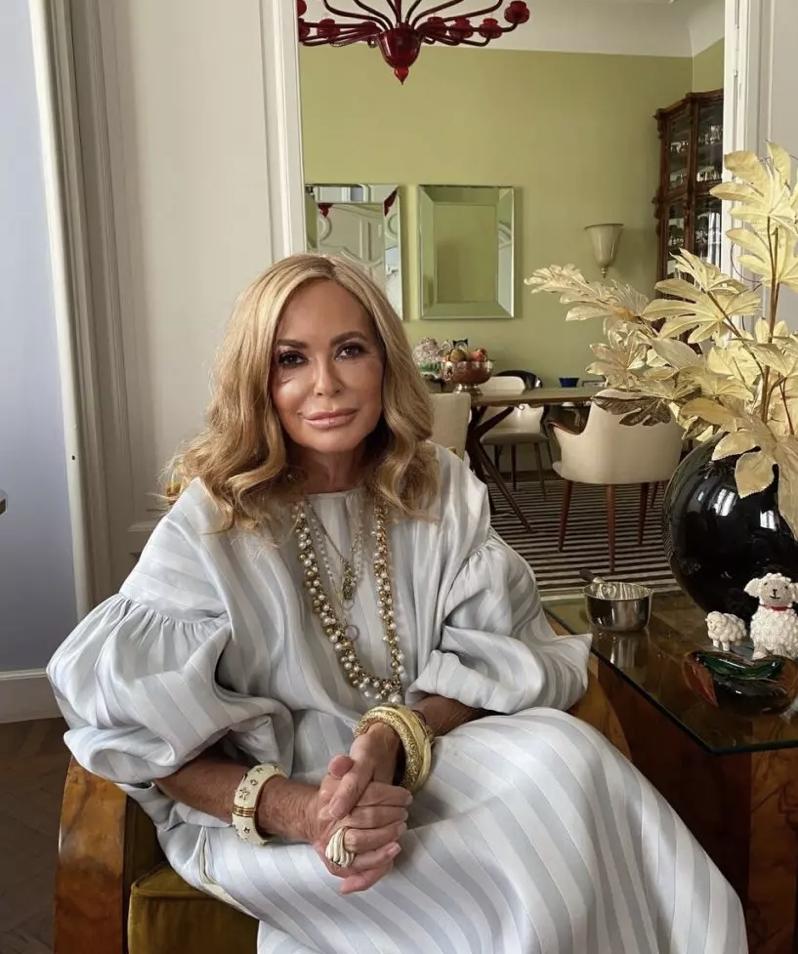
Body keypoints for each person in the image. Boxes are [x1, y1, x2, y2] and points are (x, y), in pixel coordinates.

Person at [48, 254, 747, 954]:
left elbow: (498, 650)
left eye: (349, 350)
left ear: (385, 361)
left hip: (431, 753)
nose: (326, 385)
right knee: (508, 873)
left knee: (571, 758)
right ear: (255, 377)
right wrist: (307, 812)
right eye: (291, 359)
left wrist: (393, 736)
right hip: (282, 800)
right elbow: (139, 730)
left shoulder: (440, 484)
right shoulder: (212, 520)